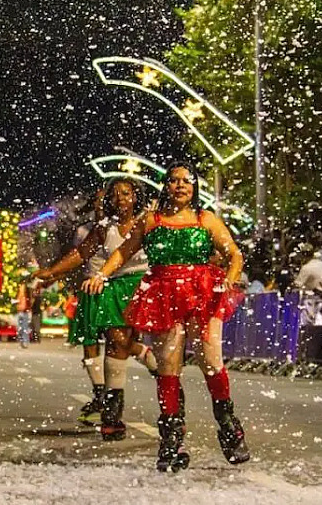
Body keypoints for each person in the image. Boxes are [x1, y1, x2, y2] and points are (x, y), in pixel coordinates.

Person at [88, 162, 249, 472]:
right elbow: (122, 252)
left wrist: (230, 277)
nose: (180, 185)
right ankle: (171, 439)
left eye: (186, 181)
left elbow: (234, 253)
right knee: (168, 365)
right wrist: (102, 275)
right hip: (164, 294)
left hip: (202, 294)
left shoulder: (207, 219)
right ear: (166, 186)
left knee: (211, 360)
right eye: (174, 181)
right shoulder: (151, 220)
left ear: (194, 187)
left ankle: (230, 430)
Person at [30, 179, 158, 439]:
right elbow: (81, 253)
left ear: (136, 196)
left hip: (140, 286)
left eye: (126, 193)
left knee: (122, 342)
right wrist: (52, 272)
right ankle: (111, 411)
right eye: (115, 195)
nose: (120, 198)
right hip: (108, 286)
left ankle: (158, 379)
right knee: (114, 341)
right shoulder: (103, 228)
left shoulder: (150, 221)